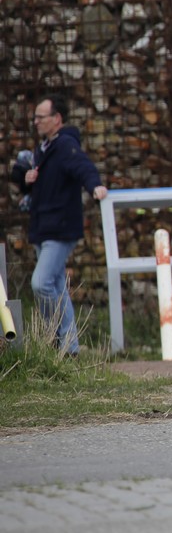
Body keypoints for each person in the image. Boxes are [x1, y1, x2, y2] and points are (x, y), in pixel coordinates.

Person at [8, 95, 109, 356]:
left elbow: (84, 167)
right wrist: (28, 180)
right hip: (43, 227)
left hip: (59, 228)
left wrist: (95, 186)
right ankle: (69, 347)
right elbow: (41, 186)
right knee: (56, 287)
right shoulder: (43, 150)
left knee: (41, 283)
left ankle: (56, 336)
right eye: (35, 117)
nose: (36, 121)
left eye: (41, 117)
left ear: (57, 119)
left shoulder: (65, 146)